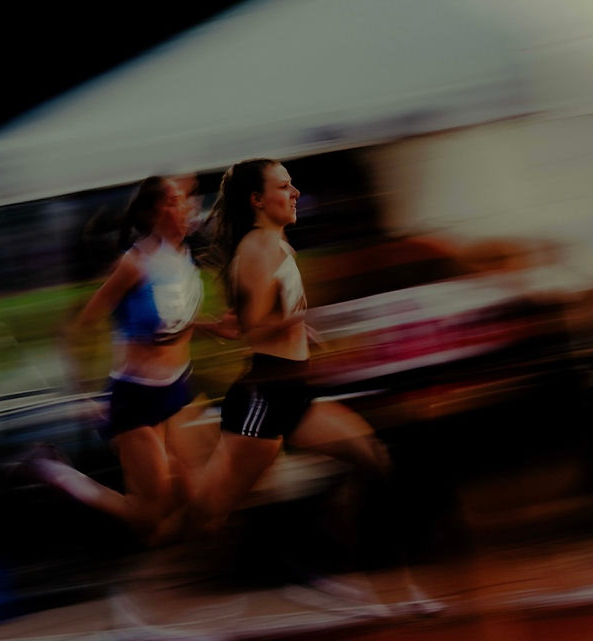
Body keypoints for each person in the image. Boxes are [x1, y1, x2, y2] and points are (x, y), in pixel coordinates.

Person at [187, 159, 442, 615]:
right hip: (263, 397)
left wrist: (300, 328)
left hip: (293, 391)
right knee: (209, 512)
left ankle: (387, 587)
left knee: (372, 460)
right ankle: (154, 558)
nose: (296, 193)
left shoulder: (279, 245)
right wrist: (299, 318)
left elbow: (257, 319)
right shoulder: (256, 249)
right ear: (257, 200)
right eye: (284, 186)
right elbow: (254, 329)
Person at [17, 175, 235, 542]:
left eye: (187, 199)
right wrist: (82, 393)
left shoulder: (183, 257)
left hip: (178, 388)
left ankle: (185, 559)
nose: (186, 206)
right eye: (174, 201)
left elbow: (170, 320)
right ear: (153, 214)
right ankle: (54, 471)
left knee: (200, 496)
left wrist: (212, 326)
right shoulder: (134, 264)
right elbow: (78, 327)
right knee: (147, 519)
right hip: (137, 399)